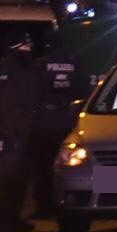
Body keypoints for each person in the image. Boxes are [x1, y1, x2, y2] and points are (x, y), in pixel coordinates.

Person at [29, 33, 90, 218]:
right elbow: (84, 89)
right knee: (66, 165)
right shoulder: (76, 65)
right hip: (68, 121)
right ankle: (63, 205)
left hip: (44, 123)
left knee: (44, 167)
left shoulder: (39, 65)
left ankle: (44, 207)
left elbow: (31, 91)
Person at [0, 32, 41, 232]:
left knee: (20, 177)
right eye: (24, 46)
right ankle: (6, 220)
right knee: (11, 177)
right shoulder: (8, 67)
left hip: (24, 130)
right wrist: (12, 128)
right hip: (15, 132)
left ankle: (13, 218)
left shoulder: (26, 67)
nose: (28, 49)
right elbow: (5, 102)